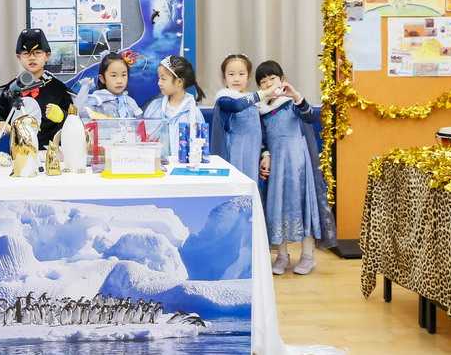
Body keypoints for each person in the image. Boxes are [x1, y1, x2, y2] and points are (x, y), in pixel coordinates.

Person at [255, 60, 337, 276]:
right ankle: (282, 256)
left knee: (302, 206)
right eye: (263, 81)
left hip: (298, 164)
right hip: (277, 165)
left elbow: (310, 117)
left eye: (272, 78)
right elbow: (262, 139)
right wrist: (266, 155)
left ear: (282, 79)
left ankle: (308, 256)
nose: (268, 83)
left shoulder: (293, 102)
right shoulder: (261, 109)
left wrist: (297, 96)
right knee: (277, 207)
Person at [0, 28, 74, 149]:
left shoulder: (59, 88)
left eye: (37, 53)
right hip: (18, 151)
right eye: (26, 54)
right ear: (19, 57)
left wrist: (62, 116)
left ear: (47, 56)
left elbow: (75, 121)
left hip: (50, 152)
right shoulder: (12, 87)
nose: (32, 58)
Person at [210, 54, 280, 184]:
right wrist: (264, 93)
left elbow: (259, 132)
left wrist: (265, 154)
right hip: (234, 154)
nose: (236, 79)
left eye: (241, 74)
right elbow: (236, 105)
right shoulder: (224, 98)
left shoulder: (255, 103)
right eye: (231, 74)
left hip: (252, 156)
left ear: (249, 77)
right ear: (223, 78)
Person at [144, 55, 206, 157]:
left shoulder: (193, 112)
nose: (159, 83)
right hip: (156, 162)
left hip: (183, 164)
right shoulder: (154, 107)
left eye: (163, 79)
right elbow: (144, 136)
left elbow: (201, 145)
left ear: (179, 82)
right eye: (159, 78)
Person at [80, 52, 142, 119]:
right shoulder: (97, 101)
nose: (119, 81)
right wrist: (85, 86)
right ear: (102, 78)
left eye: (123, 75)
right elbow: (80, 113)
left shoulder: (130, 102)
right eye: (113, 75)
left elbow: (140, 122)